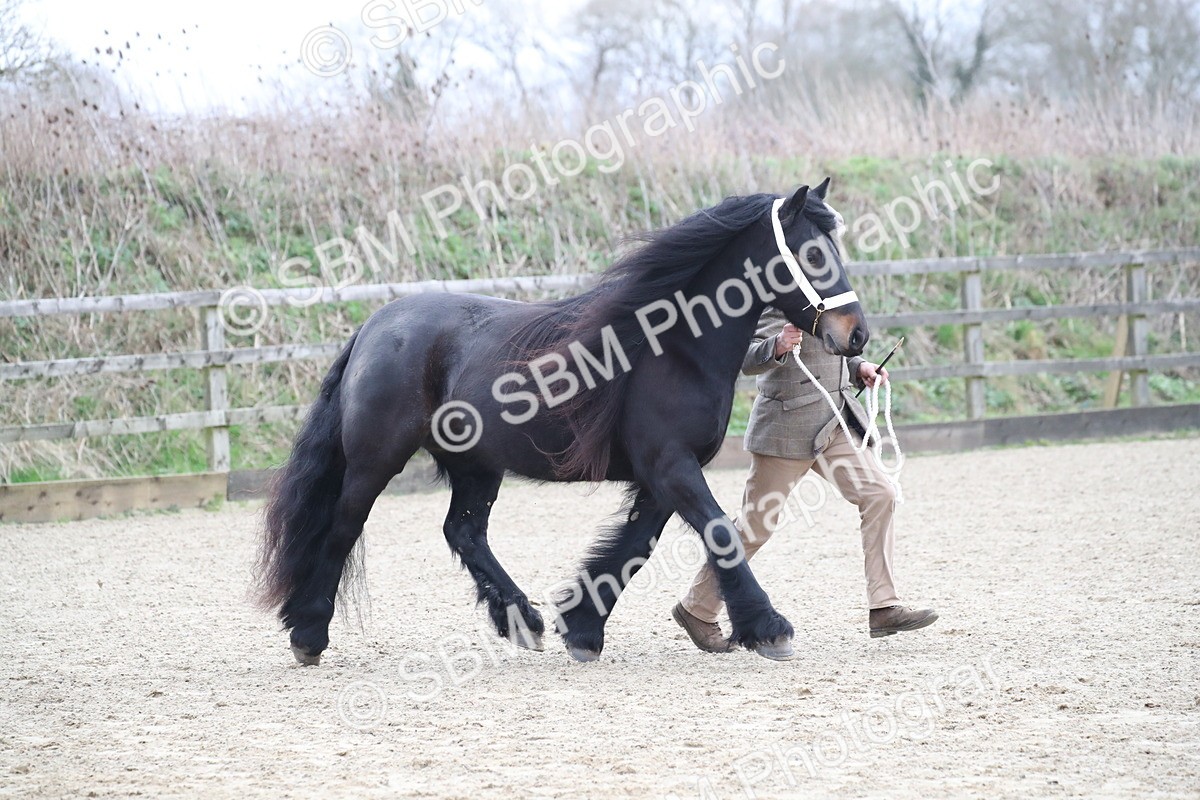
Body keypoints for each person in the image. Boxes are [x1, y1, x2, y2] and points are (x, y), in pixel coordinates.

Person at [671, 306, 937, 659]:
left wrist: (859, 369)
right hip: (785, 429)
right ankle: (696, 609)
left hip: (834, 425)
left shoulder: (831, 298)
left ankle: (884, 607)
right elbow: (745, 358)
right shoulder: (771, 301)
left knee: (880, 493)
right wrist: (777, 345)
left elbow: (831, 353)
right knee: (755, 528)